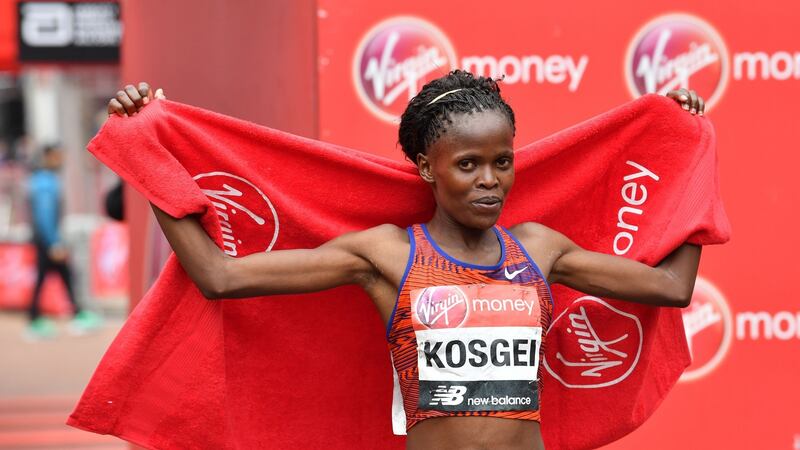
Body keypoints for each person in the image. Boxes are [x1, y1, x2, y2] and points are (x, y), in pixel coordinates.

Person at [108, 71, 705, 450]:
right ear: (427, 168)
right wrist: (149, 154)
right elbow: (218, 276)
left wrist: (688, 146)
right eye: (467, 164)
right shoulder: (388, 253)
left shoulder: (539, 248)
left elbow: (672, 288)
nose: (489, 181)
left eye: (502, 161)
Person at [26, 145, 102, 339]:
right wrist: (54, 243)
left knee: (55, 276)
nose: (62, 160)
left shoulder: (41, 180)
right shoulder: (46, 183)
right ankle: (65, 316)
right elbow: (45, 216)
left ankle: (45, 317)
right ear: (49, 156)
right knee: (61, 275)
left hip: (44, 239)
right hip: (47, 240)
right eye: (59, 156)